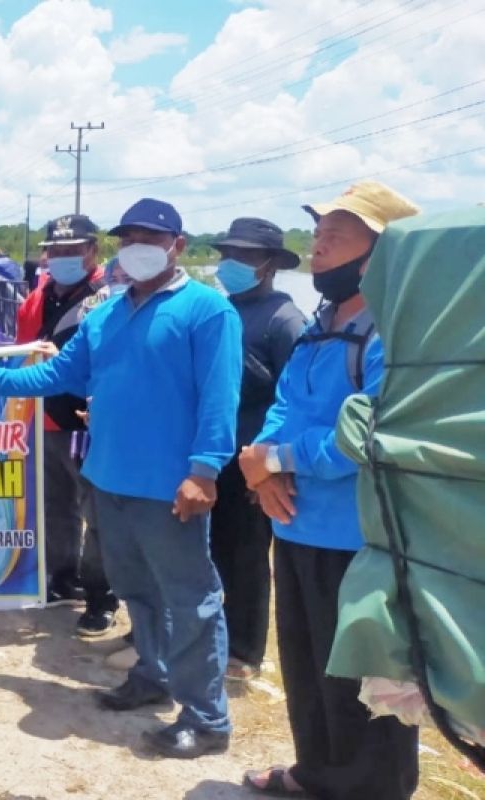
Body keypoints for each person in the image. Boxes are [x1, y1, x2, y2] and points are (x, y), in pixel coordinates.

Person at [0, 197, 242, 759]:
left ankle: (207, 718)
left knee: (190, 598)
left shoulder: (208, 311)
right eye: (128, 237)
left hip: (170, 486)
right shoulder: (105, 315)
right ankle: (152, 679)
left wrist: (204, 471)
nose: (137, 247)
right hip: (109, 477)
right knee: (138, 591)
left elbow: (219, 398)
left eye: (150, 238)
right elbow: (62, 371)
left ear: (177, 246)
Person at [240, 181, 421, 799]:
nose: (318, 251)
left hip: (360, 538)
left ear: (383, 254)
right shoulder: (320, 324)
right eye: (317, 238)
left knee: (366, 688)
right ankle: (314, 774)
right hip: (295, 526)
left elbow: (367, 435)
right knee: (307, 667)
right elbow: (284, 402)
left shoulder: (396, 335)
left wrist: (276, 459)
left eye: (335, 238)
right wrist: (259, 465)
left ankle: (370, 790)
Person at [209, 218, 306, 680]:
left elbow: (297, 397)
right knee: (213, 548)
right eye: (229, 254)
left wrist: (271, 465)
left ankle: (244, 651)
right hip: (214, 456)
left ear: (269, 266)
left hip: (256, 458)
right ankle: (212, 635)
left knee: (247, 555)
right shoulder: (223, 309)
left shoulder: (284, 319)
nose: (233, 263)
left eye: (246, 257)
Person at [13, 213, 118, 636]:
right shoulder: (40, 296)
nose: (62, 258)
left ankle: (102, 595)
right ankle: (62, 577)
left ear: (93, 251)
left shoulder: (108, 299)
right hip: (45, 416)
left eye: (73, 251)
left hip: (88, 421)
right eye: (55, 251)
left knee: (99, 513)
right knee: (55, 505)